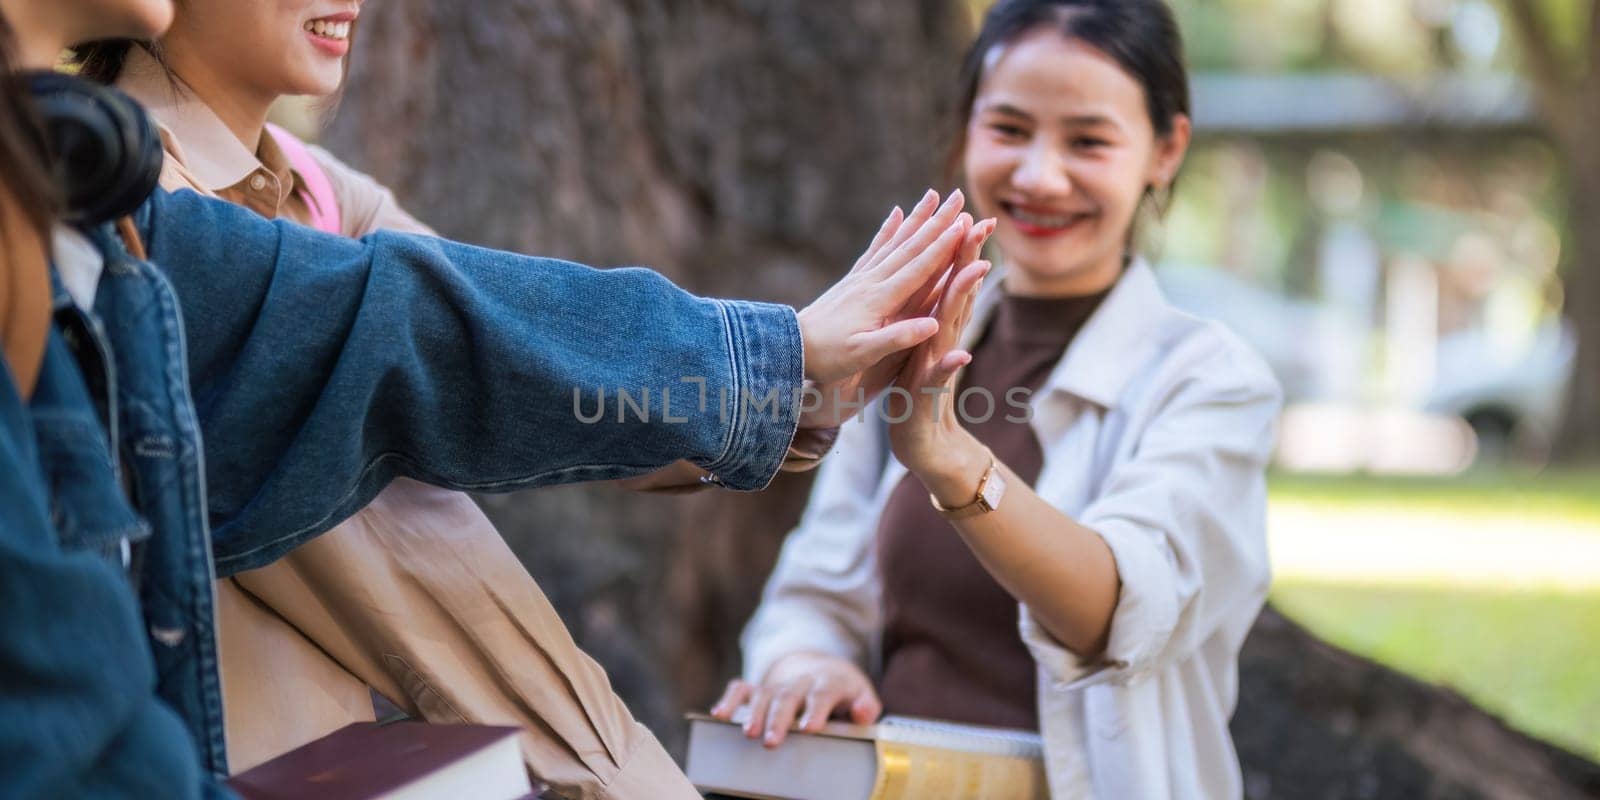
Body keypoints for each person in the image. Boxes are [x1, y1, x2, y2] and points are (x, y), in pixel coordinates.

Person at [0, 0, 992, 795]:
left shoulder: (319, 190)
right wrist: (778, 360)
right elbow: (452, 345)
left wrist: (814, 390)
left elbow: (534, 367)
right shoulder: (132, 222)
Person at [711, 1, 1284, 797]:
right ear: (965, 130)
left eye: (1088, 140)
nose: (1041, 176)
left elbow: (1123, 610)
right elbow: (817, 592)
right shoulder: (911, 338)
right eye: (1009, 129)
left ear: (1165, 149)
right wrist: (807, 662)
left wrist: (950, 462)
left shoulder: (1210, 380)